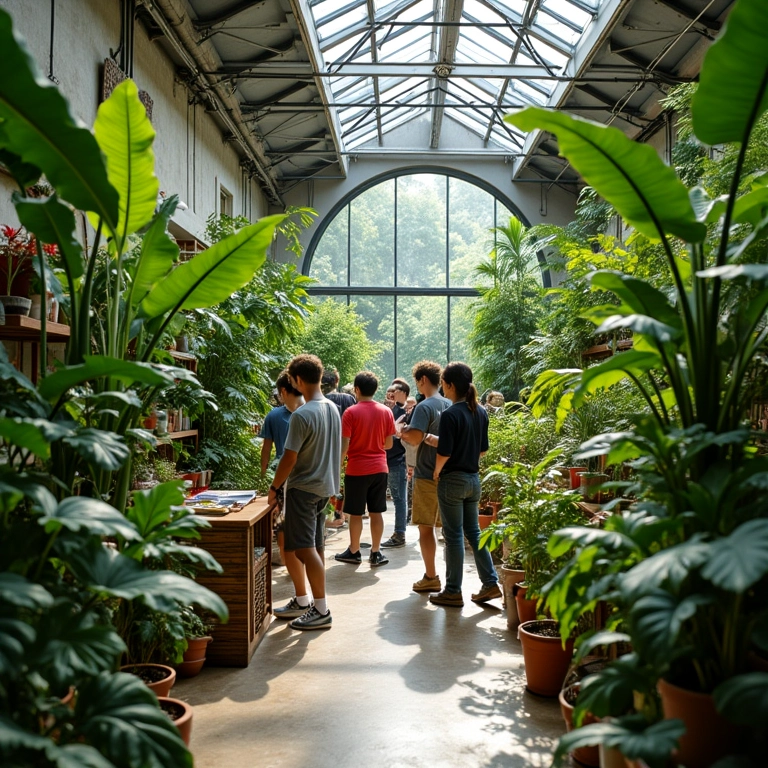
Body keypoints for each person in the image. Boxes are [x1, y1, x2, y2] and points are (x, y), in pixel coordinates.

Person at [268, 354, 341, 630]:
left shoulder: (302, 415)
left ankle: (321, 609)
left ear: (297, 380)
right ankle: (302, 600)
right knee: (315, 546)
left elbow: (289, 458)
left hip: (303, 489)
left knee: (303, 550)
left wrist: (274, 488)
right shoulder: (332, 408)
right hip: (324, 488)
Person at [426, 362, 500, 607]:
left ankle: (453, 590)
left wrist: (437, 471)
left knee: (454, 535)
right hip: (473, 479)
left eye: (444, 384)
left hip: (452, 480)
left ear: (449, 385)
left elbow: (445, 452)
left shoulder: (450, 414)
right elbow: (482, 450)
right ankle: (490, 583)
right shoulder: (480, 411)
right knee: (473, 532)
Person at [400, 361, 451, 593]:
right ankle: (453, 581)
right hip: (451, 473)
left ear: (422, 380)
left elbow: (416, 437)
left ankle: (431, 576)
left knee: (425, 527)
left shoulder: (424, 406)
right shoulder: (451, 403)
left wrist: (400, 431)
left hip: (427, 472)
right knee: (452, 530)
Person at [335, 371, 395, 567]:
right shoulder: (386, 412)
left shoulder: (350, 412)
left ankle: (354, 551)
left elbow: (345, 446)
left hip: (357, 469)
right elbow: (388, 445)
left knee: (356, 513)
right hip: (379, 468)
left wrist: (337, 467)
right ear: (376, 389)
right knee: (377, 512)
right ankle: (376, 552)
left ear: (357, 389)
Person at [261, 371, 307, 605]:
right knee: (293, 532)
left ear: (284, 391)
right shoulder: (317, 410)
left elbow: (276, 453)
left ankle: (303, 595)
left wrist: (269, 482)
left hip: (289, 479)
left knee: (286, 532)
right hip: (298, 479)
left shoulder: (304, 414)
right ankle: (301, 583)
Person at [381, 380, 409, 548]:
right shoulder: (389, 412)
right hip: (385, 460)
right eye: (388, 394)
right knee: (397, 498)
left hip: (397, 461)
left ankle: (400, 533)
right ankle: (399, 532)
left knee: (398, 498)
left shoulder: (403, 413)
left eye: (393, 393)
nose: (390, 396)